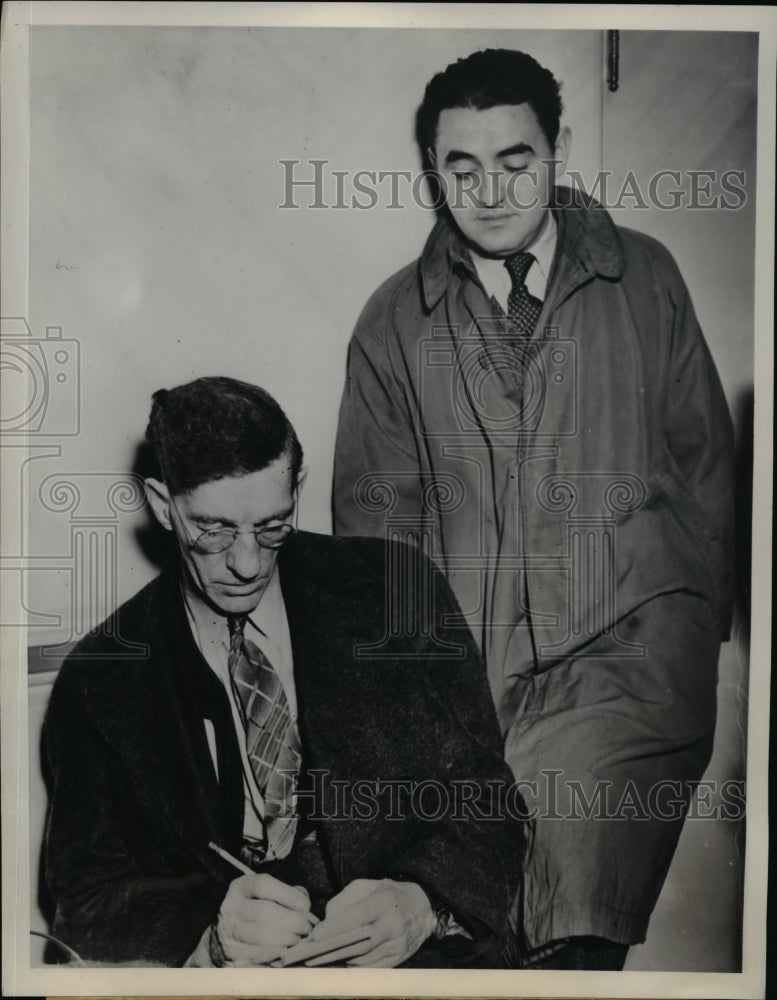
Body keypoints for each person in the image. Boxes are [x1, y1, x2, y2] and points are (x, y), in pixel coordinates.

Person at [333, 48, 735, 970]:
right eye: (460, 167)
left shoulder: (645, 278)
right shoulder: (393, 321)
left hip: (633, 643)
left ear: (556, 150)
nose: (488, 191)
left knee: (570, 855)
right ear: (432, 172)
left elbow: (706, 465)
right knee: (462, 900)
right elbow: (376, 537)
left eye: (514, 158)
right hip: (472, 672)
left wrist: (693, 629)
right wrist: (416, 694)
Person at [41, 376, 521, 968]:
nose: (245, 564)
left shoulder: (399, 590)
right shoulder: (98, 679)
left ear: (299, 488)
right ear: (164, 507)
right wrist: (211, 939)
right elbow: (84, 899)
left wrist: (422, 902)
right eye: (213, 530)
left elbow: (490, 801)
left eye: (272, 526)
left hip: (417, 966)